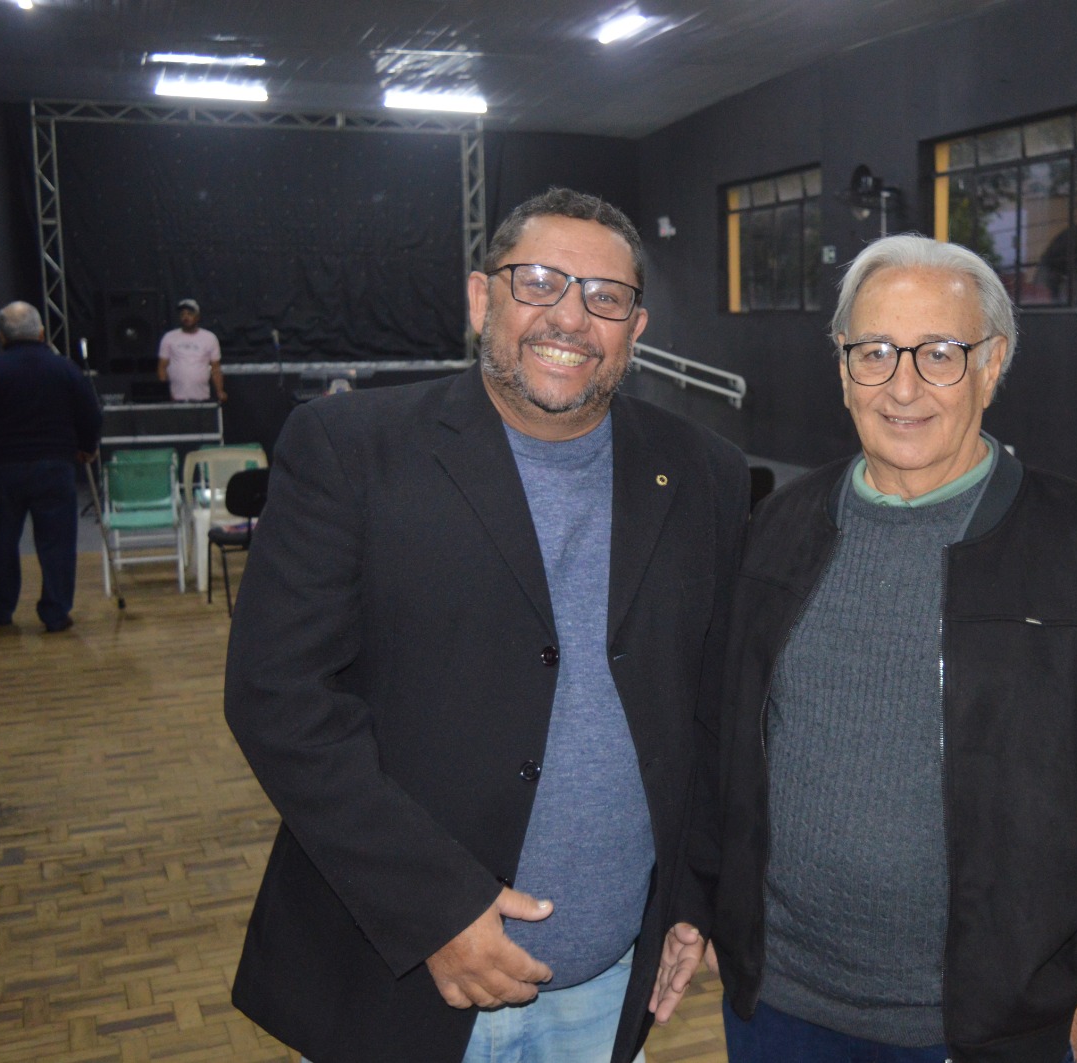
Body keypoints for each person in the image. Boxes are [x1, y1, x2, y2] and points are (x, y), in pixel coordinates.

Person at [222, 188, 748, 1063]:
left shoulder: (705, 474)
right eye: (539, 281)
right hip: (397, 977)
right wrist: (433, 906)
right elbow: (278, 699)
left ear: (636, 328)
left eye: (605, 297)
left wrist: (694, 893)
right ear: (480, 298)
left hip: (606, 982)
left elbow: (711, 709)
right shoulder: (349, 449)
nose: (570, 317)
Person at [678, 235, 1077, 1063]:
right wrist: (707, 901)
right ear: (843, 367)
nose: (903, 386)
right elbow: (719, 744)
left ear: (993, 364)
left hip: (989, 1030)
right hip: (781, 1011)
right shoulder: (777, 530)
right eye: (875, 351)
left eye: (940, 353)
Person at [0, 302, 102, 632]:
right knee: (57, 543)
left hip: (4, 469)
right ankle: (55, 612)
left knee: (2, 542)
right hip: (55, 467)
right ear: (41, 333)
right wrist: (87, 447)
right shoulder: (64, 368)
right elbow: (90, 414)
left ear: (1, 337)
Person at [156, 298, 226, 402]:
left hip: (202, 398)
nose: (186, 317)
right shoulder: (169, 337)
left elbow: (216, 369)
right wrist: (166, 393)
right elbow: (162, 367)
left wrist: (220, 391)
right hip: (175, 399)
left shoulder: (209, 338)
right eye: (182, 314)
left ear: (197, 317)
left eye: (189, 314)